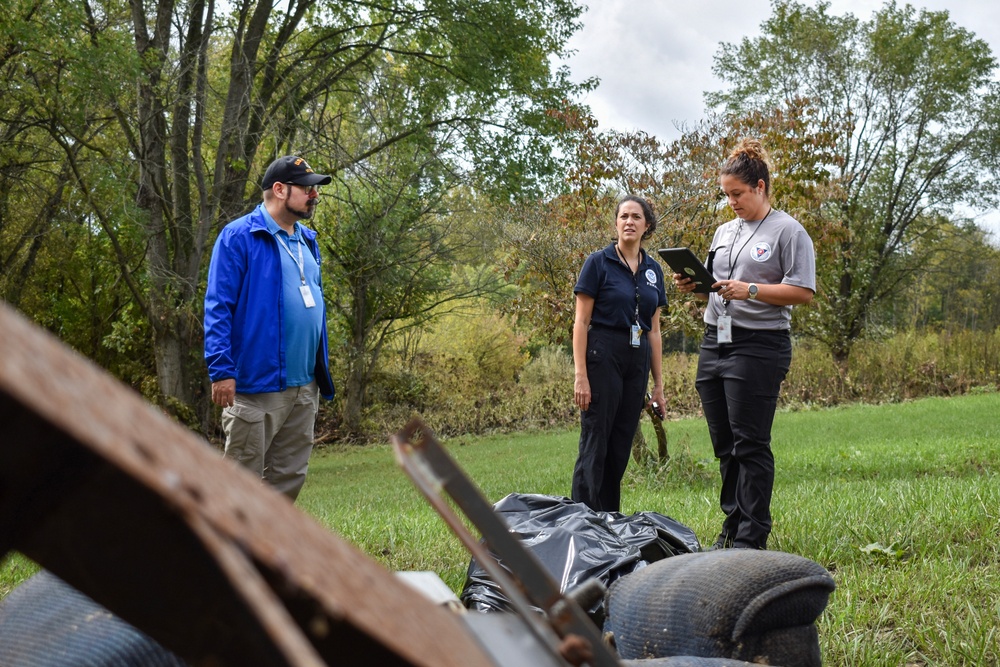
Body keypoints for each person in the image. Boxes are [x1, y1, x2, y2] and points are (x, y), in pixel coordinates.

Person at [673, 138, 816, 550]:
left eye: (737, 194)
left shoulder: (788, 231)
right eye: (726, 195)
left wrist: (750, 289)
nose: (731, 201)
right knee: (725, 445)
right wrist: (696, 286)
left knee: (750, 442)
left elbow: (802, 291)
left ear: (761, 187)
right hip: (715, 339)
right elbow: (717, 290)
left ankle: (752, 538)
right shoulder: (723, 230)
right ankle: (731, 529)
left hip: (759, 344)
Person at [204, 155, 336, 502]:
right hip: (255, 386)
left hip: (304, 387)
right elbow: (218, 306)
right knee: (240, 485)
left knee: (286, 483)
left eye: (314, 189)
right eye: (306, 189)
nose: (314, 195)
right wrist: (221, 370)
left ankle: (265, 554)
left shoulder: (307, 240)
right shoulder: (239, 237)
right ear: (279, 189)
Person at [571, 195, 668, 512]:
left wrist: (658, 386)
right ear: (616, 223)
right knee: (596, 439)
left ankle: (608, 518)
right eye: (624, 216)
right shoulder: (598, 263)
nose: (629, 221)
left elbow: (654, 330)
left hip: (636, 360)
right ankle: (582, 520)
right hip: (603, 354)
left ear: (647, 225)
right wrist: (581, 376)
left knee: (621, 442)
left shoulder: (654, 270)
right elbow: (581, 322)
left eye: (636, 217)